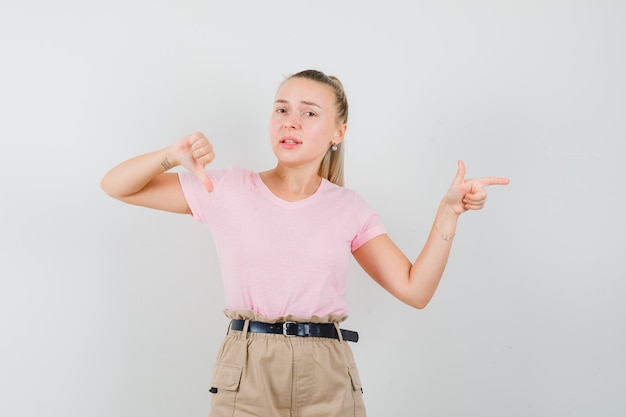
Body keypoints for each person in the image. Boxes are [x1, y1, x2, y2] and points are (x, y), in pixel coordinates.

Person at [100, 69, 509, 417]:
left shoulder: (349, 207)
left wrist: (449, 212)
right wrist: (171, 155)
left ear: (338, 132)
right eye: (281, 109)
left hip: (327, 371)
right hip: (247, 365)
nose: (289, 122)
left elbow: (415, 290)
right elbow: (116, 186)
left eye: (308, 113)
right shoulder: (225, 188)